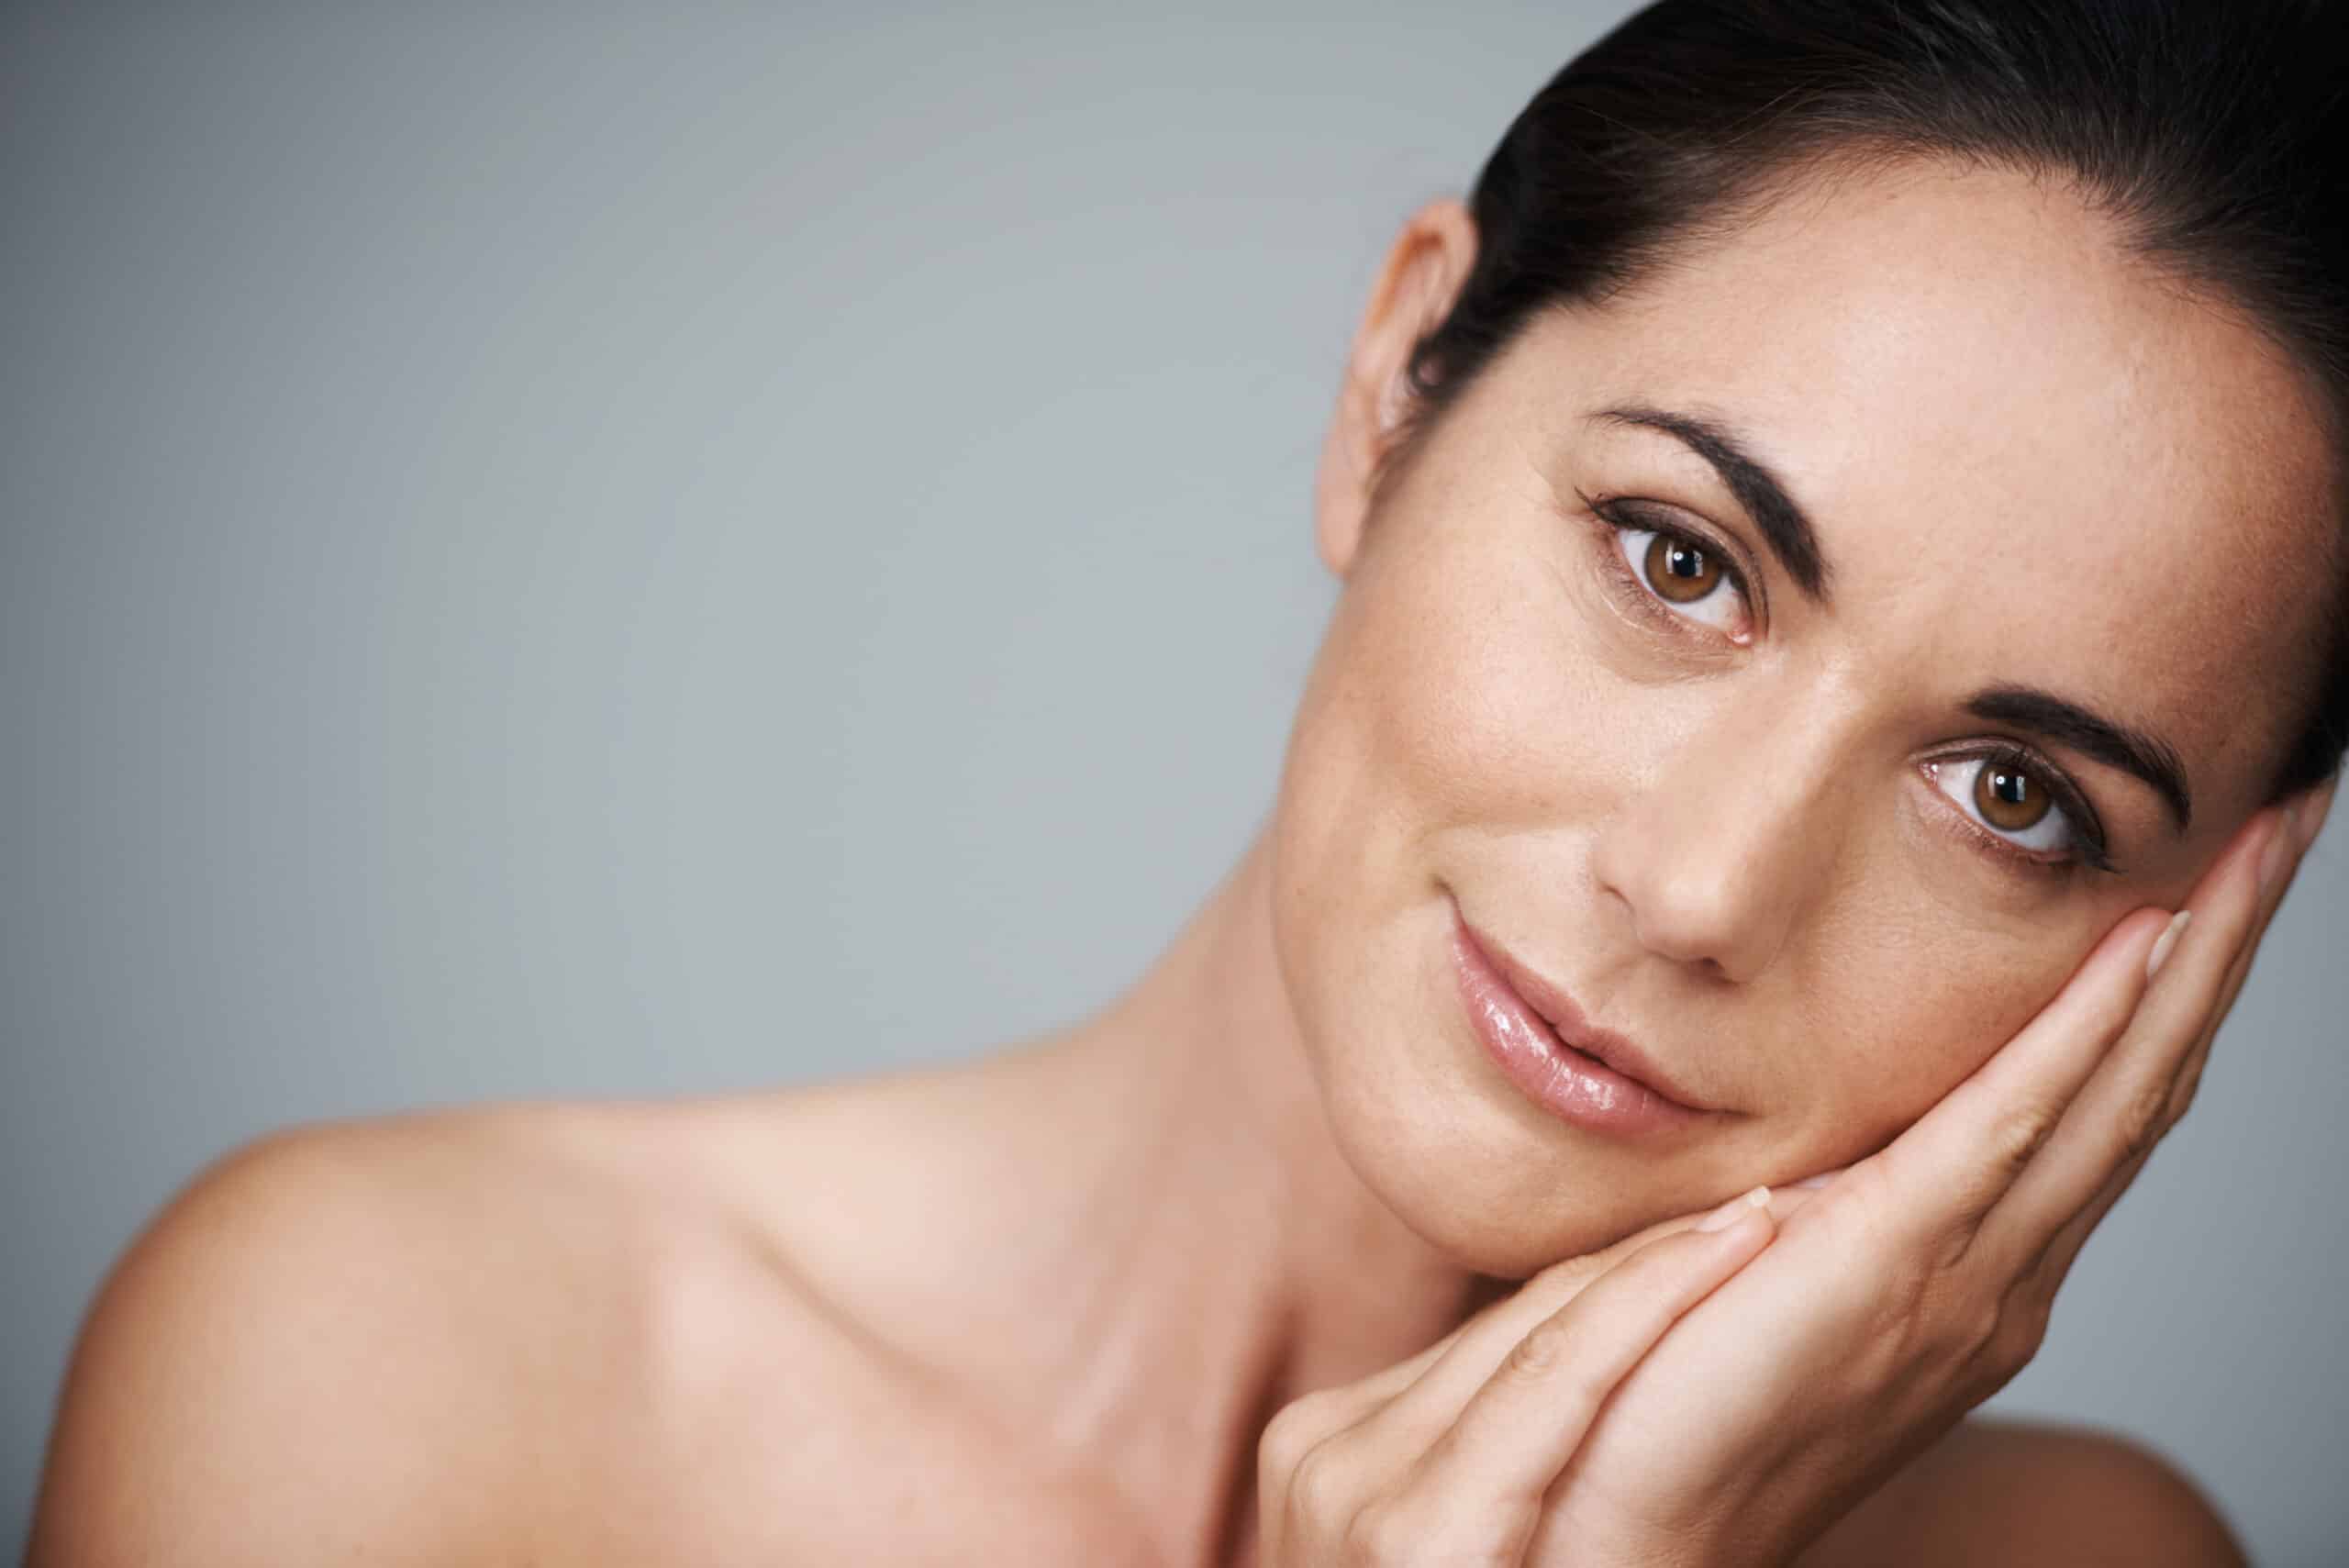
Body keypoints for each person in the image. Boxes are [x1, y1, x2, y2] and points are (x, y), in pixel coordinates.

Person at [27, 1, 2344, 1562]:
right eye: (1678, 561)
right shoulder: (387, 1378)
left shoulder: (2085, 1557)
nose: (1702, 884)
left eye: (2009, 798)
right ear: (1394, 384)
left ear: (2184, 953)